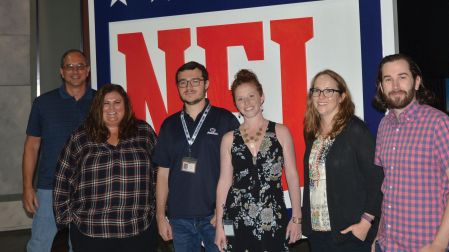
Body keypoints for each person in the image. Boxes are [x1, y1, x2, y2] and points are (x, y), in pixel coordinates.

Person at [373, 54, 449, 252]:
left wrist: (439, 245)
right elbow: (389, 187)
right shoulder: (384, 125)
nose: (395, 85)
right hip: (388, 245)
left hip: (426, 246)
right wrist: (378, 238)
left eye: (402, 77)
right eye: (388, 79)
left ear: (416, 82)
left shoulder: (439, 124)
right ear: (382, 88)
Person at [53, 84, 158, 252]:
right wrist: (65, 220)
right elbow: (62, 177)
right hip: (91, 231)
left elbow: (159, 174)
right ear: (97, 107)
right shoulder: (80, 136)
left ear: (126, 105)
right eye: (105, 103)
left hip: (138, 228)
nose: (112, 108)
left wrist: (159, 211)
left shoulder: (144, 132)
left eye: (117, 102)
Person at [153, 61, 239, 252]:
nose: (189, 87)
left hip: (217, 215)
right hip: (179, 219)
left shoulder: (225, 119)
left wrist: (224, 209)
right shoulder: (169, 125)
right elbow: (162, 174)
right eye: (183, 82)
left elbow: (237, 170)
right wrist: (160, 217)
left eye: (195, 81)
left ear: (206, 84)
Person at [214, 69, 302, 251]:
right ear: (235, 103)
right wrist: (220, 227)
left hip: (272, 218)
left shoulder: (281, 132)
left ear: (261, 97)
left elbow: (292, 177)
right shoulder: (229, 139)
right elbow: (224, 183)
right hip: (235, 219)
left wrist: (297, 218)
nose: (246, 103)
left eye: (251, 96)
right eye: (240, 98)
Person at [300, 69, 384, 252]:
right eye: (316, 90)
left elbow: (377, 179)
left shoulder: (355, 130)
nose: (321, 96)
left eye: (329, 90)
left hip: (349, 233)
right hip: (318, 233)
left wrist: (366, 222)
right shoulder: (312, 133)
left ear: (342, 97)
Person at [22, 49, 94, 252]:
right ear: (61, 72)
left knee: (81, 246)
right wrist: (28, 186)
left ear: (87, 70)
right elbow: (31, 146)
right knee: (39, 244)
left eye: (80, 66)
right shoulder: (43, 103)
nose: (75, 71)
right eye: (69, 66)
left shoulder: (101, 103)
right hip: (49, 188)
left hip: (89, 187)